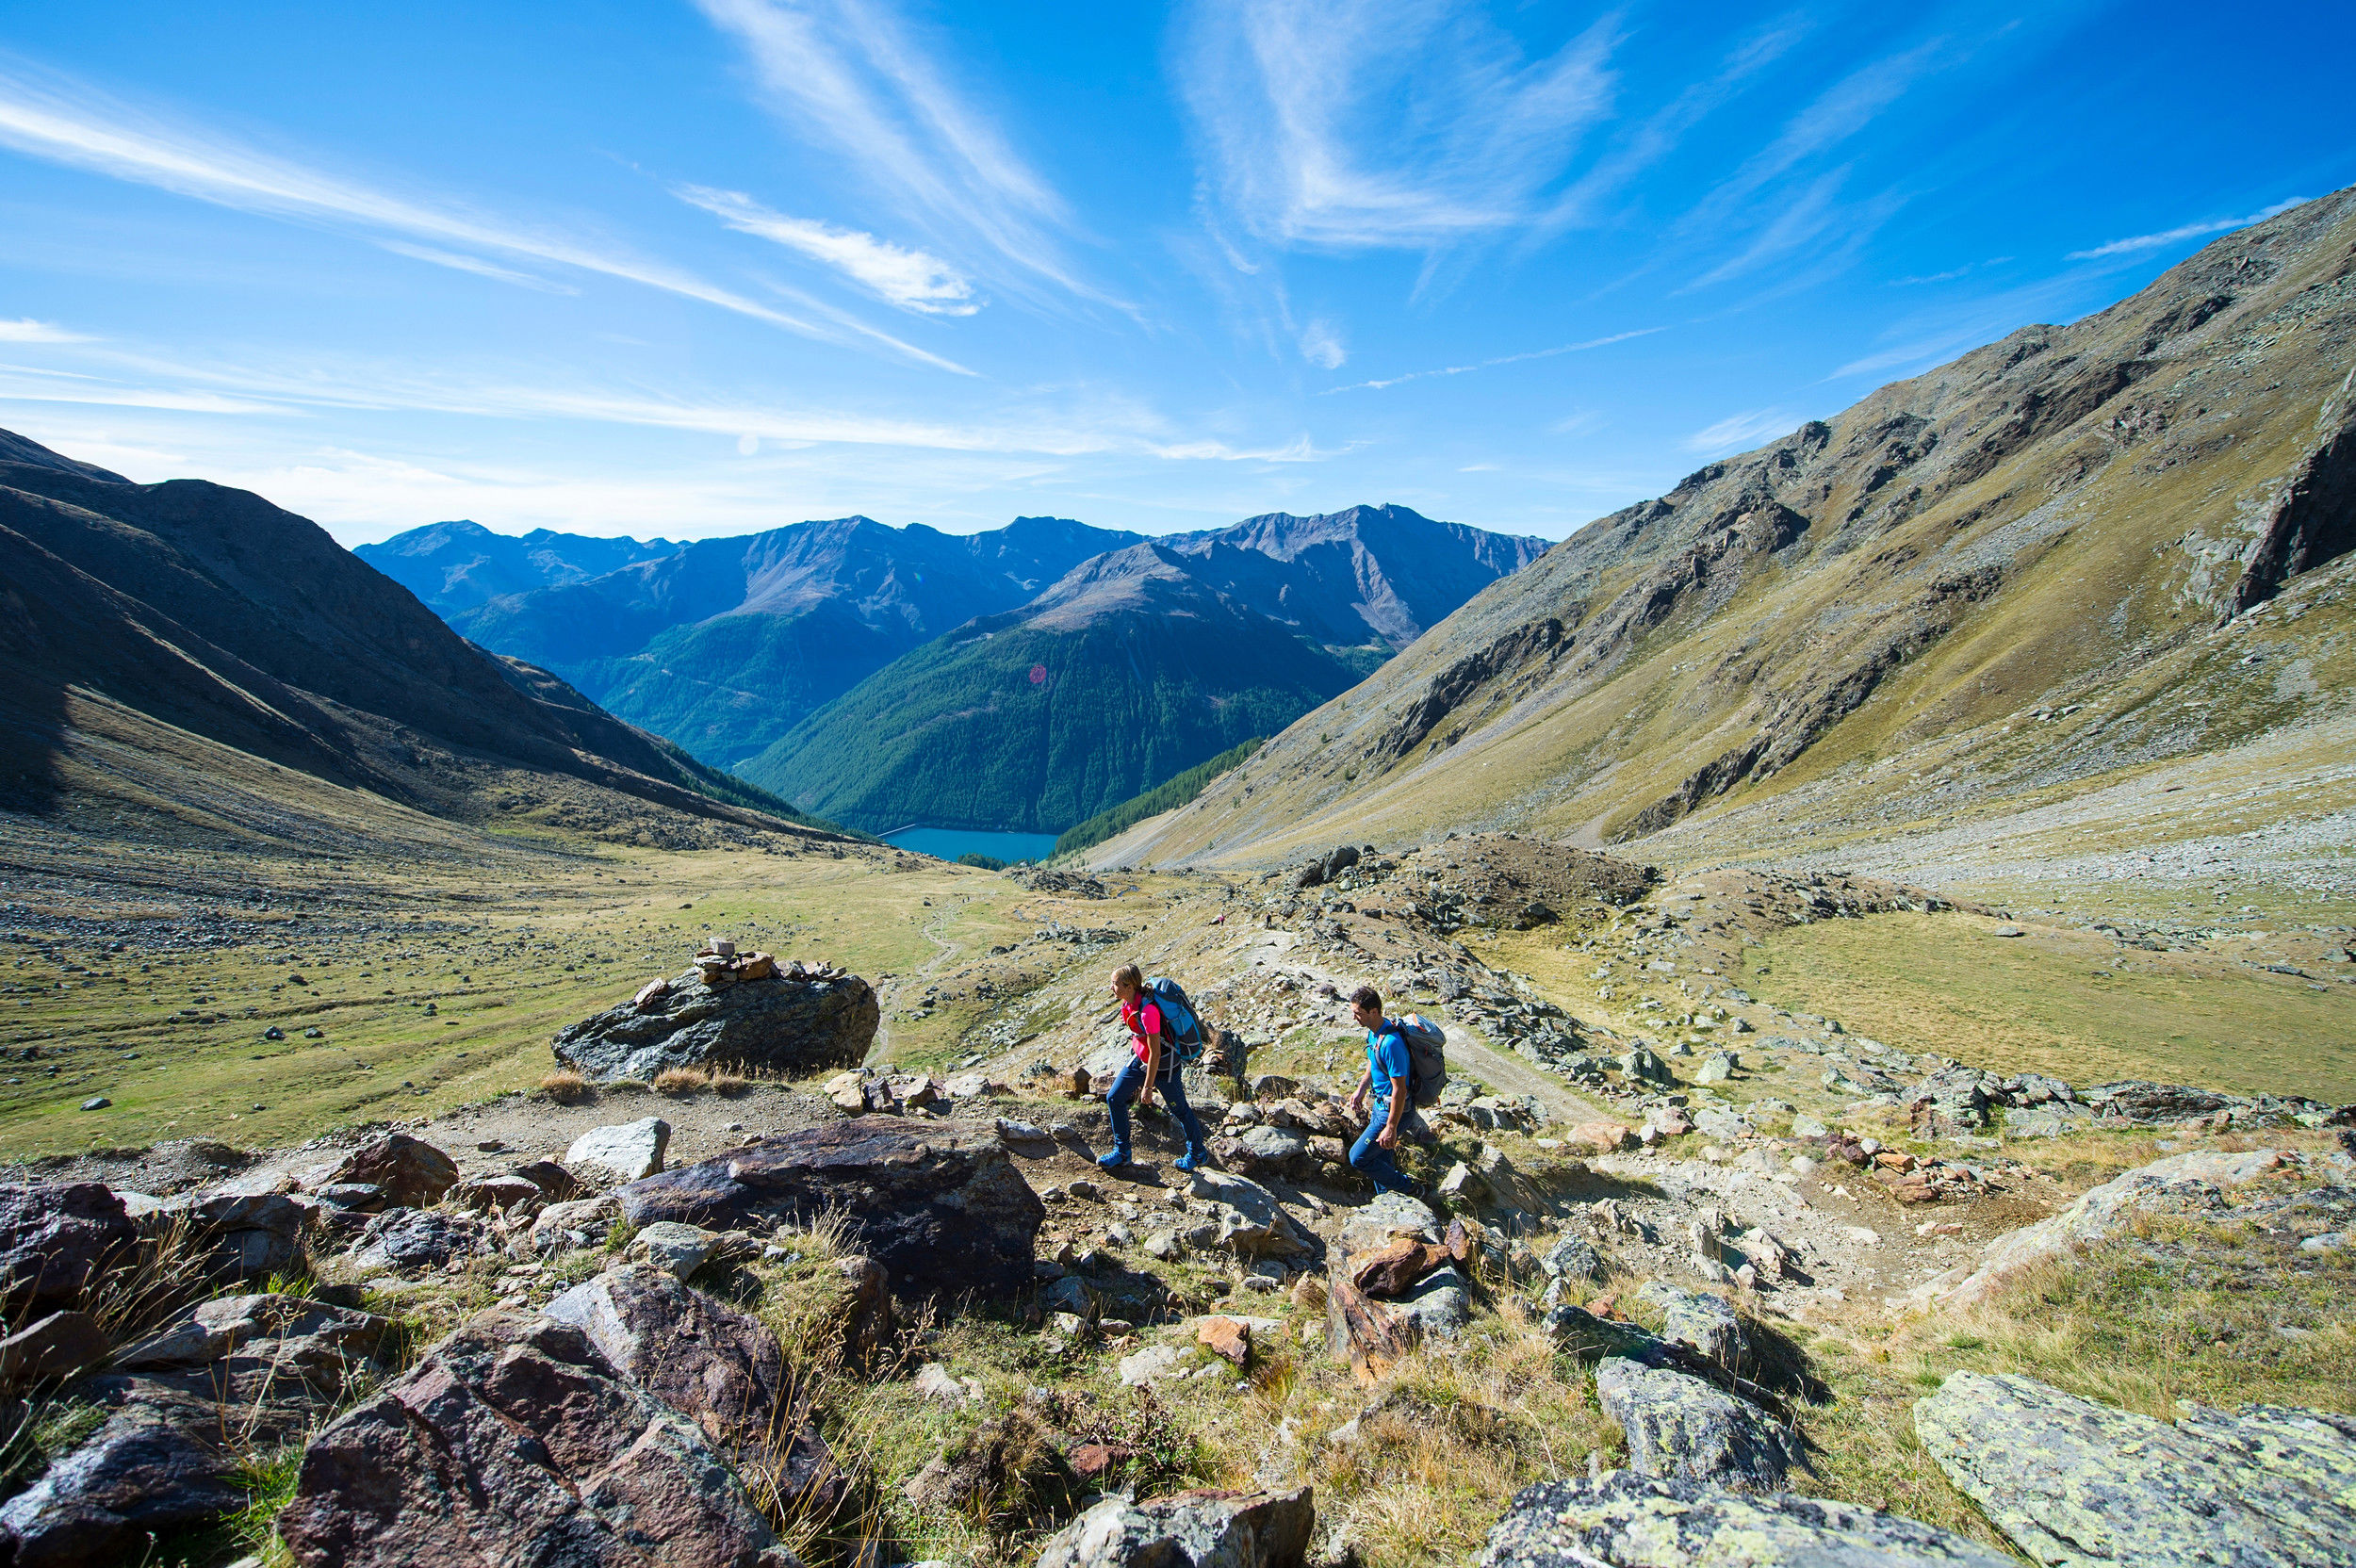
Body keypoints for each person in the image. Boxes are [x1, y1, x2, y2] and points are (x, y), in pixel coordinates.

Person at [1099, 963, 1211, 1173]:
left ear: (1129, 985)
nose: (1111, 988)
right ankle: (1122, 1152)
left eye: (1114, 984)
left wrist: (1148, 1087)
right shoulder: (1130, 1004)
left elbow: (1156, 1054)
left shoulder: (1148, 1012)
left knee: (1180, 1110)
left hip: (1164, 1067)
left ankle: (1198, 1153)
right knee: (1114, 1098)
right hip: (1140, 1060)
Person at [1344, 984, 1421, 1195]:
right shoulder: (1375, 1033)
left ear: (1374, 1012)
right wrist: (1361, 1089)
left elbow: (1400, 1090)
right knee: (1380, 1158)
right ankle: (1388, 1201)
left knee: (1358, 1157)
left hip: (1392, 1111)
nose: (1354, 1018)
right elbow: (1374, 1061)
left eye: (1358, 1013)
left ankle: (1412, 1189)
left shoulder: (1391, 1043)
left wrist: (1391, 1127)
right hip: (1380, 1105)